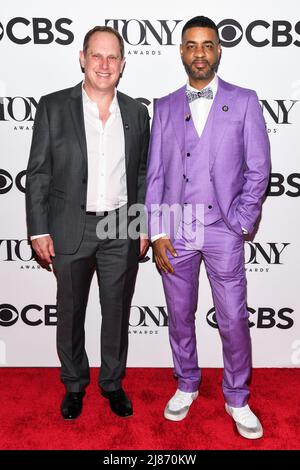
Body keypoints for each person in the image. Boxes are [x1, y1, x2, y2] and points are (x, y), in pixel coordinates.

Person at [145, 16, 270, 439]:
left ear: (219, 51)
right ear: (181, 51)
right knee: (180, 315)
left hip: (222, 229)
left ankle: (237, 396)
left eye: (208, 44)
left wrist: (239, 223)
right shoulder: (163, 106)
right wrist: (158, 232)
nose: (200, 52)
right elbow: (156, 176)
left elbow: (258, 170)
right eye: (192, 45)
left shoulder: (246, 100)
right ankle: (186, 383)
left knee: (233, 317)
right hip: (177, 230)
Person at [26, 26, 150, 420]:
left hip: (121, 226)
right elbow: (39, 173)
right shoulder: (52, 106)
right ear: (82, 58)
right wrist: (38, 228)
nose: (104, 64)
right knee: (71, 310)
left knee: (116, 313)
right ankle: (75, 384)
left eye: (112, 57)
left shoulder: (135, 112)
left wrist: (142, 223)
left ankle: (112, 384)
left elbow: (144, 173)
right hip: (68, 226)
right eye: (96, 55)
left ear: (123, 65)